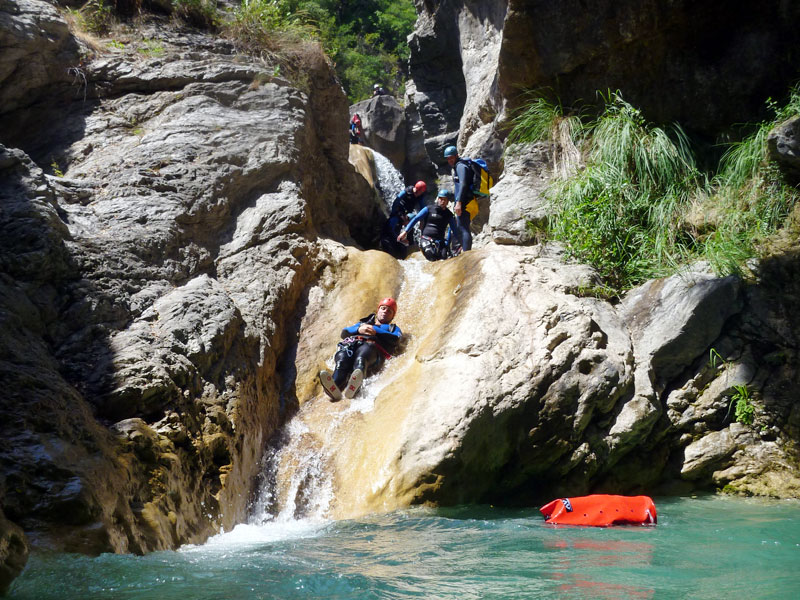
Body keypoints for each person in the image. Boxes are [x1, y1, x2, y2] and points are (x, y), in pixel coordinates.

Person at [319, 298, 403, 401]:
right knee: (342, 361)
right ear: (378, 310)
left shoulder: (392, 328)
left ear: (393, 316)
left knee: (361, 359)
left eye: (389, 311)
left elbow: (396, 338)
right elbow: (344, 332)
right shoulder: (363, 322)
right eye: (383, 308)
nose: (385, 311)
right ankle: (334, 386)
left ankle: (355, 388)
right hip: (351, 345)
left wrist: (376, 331)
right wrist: (359, 329)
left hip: (371, 349)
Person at [397, 189, 457, 261]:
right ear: (437, 199)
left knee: (444, 259)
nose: (442, 201)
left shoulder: (449, 215)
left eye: (445, 199)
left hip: (440, 242)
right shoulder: (428, 209)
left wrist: (459, 244)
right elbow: (416, 219)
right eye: (441, 199)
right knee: (432, 256)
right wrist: (405, 232)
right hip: (426, 239)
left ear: (448, 201)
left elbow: (455, 231)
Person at [444, 145, 474, 252]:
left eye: (451, 157)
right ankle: (466, 251)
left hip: (464, 202)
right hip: (464, 200)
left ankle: (467, 253)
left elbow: (463, 184)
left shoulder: (460, 166)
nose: (449, 160)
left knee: (463, 227)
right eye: (447, 158)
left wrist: (459, 202)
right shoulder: (458, 166)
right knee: (462, 227)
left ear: (456, 155)